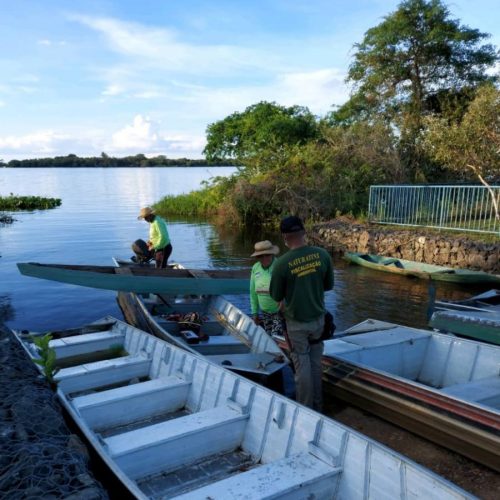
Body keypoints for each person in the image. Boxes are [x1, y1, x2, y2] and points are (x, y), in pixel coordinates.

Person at [270, 215, 334, 411]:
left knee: (302, 366)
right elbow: (328, 285)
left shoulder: (281, 263)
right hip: (319, 321)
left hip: (296, 324)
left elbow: (276, 295)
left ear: (284, 237)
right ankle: (318, 405)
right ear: (304, 232)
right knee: (315, 364)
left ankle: (305, 410)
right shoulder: (322, 255)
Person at [249, 240, 283, 337]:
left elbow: (290, 288)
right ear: (257, 257)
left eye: (267, 255)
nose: (264, 258)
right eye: (260, 256)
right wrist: (254, 312)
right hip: (264, 312)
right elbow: (252, 292)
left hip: (280, 312)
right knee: (268, 337)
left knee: (276, 336)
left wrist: (284, 302)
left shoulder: (280, 266)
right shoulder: (255, 268)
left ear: (272, 254)